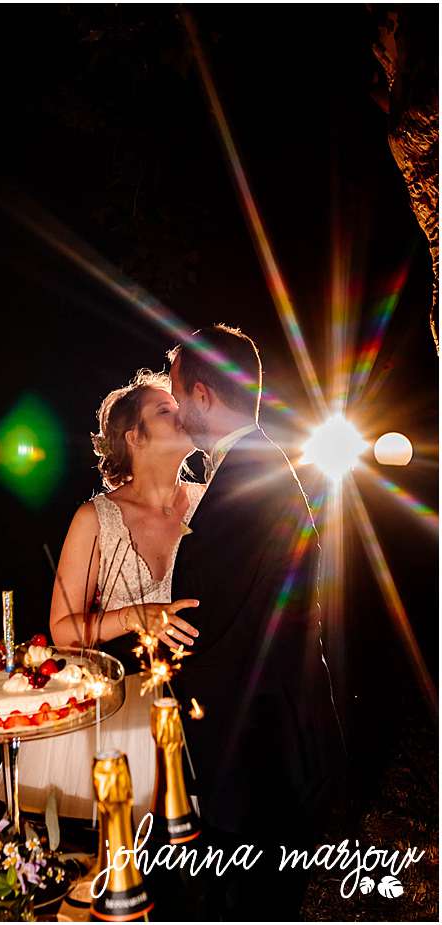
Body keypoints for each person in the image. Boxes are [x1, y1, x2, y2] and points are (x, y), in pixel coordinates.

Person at [166, 324, 345, 918]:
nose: (176, 411)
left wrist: (166, 660)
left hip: (250, 738)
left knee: (248, 903)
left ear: (204, 395)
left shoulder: (248, 475)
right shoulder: (258, 462)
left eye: (178, 395)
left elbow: (215, 615)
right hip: (264, 727)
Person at [2, 372, 206, 816]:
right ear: (135, 437)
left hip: (198, 708)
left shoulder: (213, 502)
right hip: (114, 710)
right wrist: (133, 616)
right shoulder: (96, 518)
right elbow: (62, 631)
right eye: (165, 410)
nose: (181, 413)